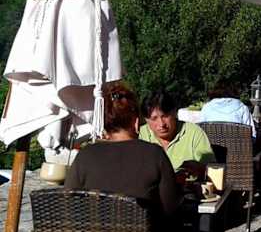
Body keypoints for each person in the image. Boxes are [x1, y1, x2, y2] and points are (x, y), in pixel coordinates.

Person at [65, 82, 181, 217]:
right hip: (143, 230)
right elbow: (171, 208)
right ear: (136, 122)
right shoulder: (155, 154)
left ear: (105, 124)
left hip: (94, 230)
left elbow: (68, 202)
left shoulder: (85, 154)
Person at [139, 91, 216, 178]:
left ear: (175, 113)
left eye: (165, 116)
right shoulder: (140, 135)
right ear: (146, 120)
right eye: (154, 119)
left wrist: (198, 168)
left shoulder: (194, 132)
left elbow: (212, 169)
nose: (161, 124)